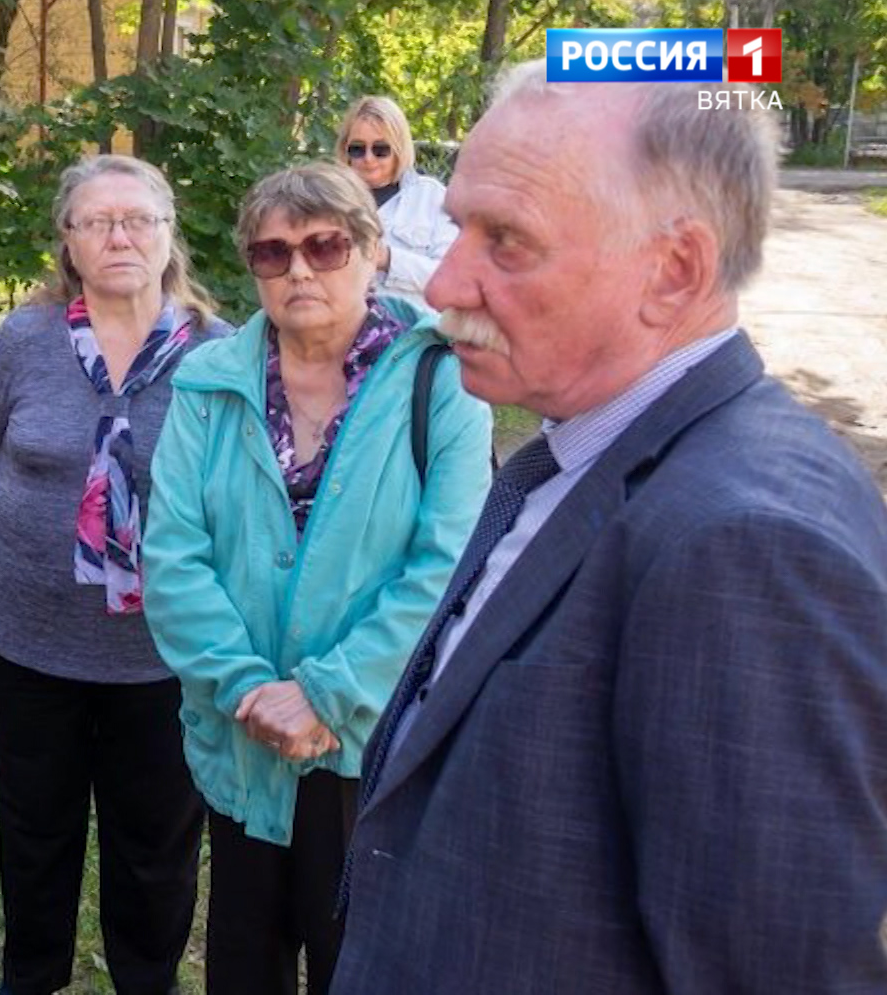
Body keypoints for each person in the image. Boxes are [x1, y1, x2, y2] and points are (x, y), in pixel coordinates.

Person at [336, 64, 887, 992]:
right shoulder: (584, 449)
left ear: (673, 272)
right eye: (461, 223)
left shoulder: (745, 549)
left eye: (505, 240)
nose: (448, 281)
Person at [141, 163, 492, 995]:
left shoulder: (443, 382)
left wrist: (326, 697)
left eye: (325, 246)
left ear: (372, 254)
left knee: (360, 966)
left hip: (370, 749)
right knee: (245, 965)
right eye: (272, 253)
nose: (299, 269)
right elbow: (173, 556)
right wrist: (252, 692)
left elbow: (448, 568)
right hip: (243, 733)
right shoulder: (206, 383)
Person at [0, 154, 233, 995]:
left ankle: (146, 981)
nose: (120, 235)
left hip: (163, 653)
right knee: (35, 832)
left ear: (168, 236)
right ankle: (31, 978)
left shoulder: (219, 358)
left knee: (155, 846)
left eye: (139, 219)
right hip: (26, 641)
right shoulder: (23, 341)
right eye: (97, 221)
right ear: (67, 242)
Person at [335, 95, 457, 308]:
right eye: (357, 148)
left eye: (380, 149)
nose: (368, 158)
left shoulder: (431, 197)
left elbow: (451, 279)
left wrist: (388, 259)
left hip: (416, 334)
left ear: (399, 148)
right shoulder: (330, 201)